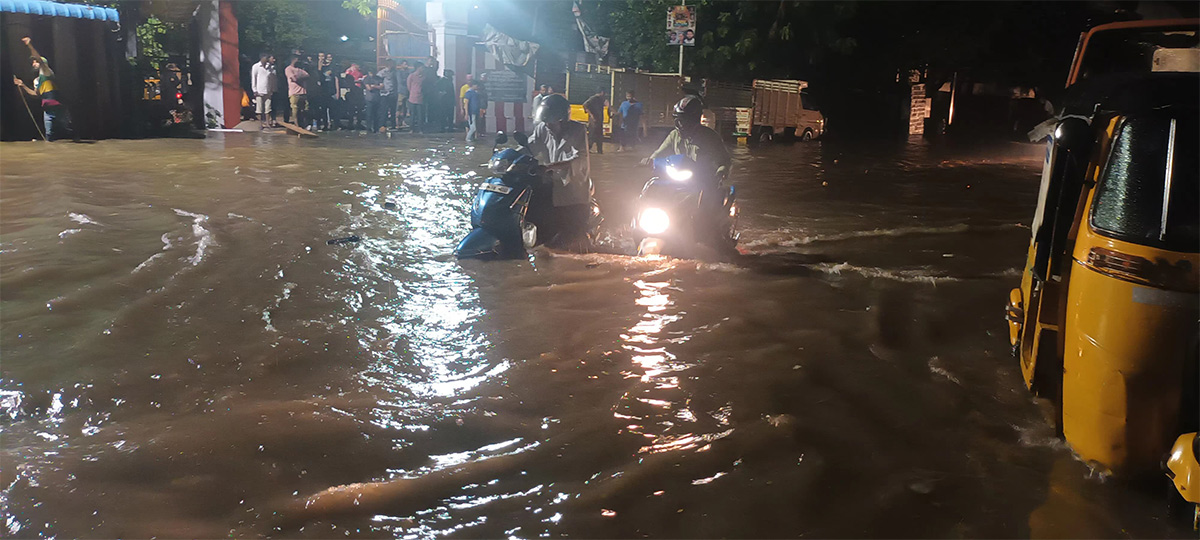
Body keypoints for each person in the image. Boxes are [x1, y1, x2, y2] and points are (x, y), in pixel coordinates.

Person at [527, 94, 593, 249]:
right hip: (551, 186)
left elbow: (580, 158)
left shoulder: (578, 130)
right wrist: (507, 156)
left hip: (574, 190)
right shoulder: (542, 128)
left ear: (562, 120)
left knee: (575, 235)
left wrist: (550, 166)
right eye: (545, 121)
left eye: (551, 122)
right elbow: (529, 147)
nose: (548, 125)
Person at [643, 95, 731, 184]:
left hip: (704, 181)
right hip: (678, 180)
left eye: (685, 120)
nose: (681, 124)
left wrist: (721, 173)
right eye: (679, 120)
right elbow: (660, 153)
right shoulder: (674, 135)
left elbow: (724, 161)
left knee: (711, 195)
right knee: (651, 186)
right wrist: (650, 160)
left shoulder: (710, 137)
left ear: (695, 120)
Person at [11, 36, 71, 141]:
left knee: (69, 131)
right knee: (49, 137)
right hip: (47, 111)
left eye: (35, 61)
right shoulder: (37, 81)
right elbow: (36, 94)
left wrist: (30, 45)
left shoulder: (47, 72)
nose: (34, 63)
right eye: (33, 62)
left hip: (59, 109)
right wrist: (23, 85)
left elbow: (39, 58)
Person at [250, 54, 277, 129]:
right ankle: (260, 124)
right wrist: (254, 90)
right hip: (259, 90)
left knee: (268, 108)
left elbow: (272, 79)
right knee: (259, 109)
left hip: (268, 90)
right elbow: (254, 78)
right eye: (266, 58)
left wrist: (272, 89)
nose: (267, 60)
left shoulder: (270, 67)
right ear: (262, 58)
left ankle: (267, 123)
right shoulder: (256, 66)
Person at [285, 56, 309, 126]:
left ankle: (303, 124)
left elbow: (307, 75)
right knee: (295, 109)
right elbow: (295, 79)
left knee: (304, 109)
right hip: (294, 92)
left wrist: (299, 77)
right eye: (297, 60)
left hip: (303, 92)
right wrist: (301, 78)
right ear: (293, 60)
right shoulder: (288, 69)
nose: (298, 61)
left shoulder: (300, 69)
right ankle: (296, 124)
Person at [406, 61, 429, 133]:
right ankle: (411, 129)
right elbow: (408, 86)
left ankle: (420, 129)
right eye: (421, 67)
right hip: (412, 97)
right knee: (412, 114)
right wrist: (413, 92)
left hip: (421, 98)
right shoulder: (411, 76)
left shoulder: (424, 77)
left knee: (420, 114)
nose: (423, 69)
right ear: (418, 68)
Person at [582, 89, 608, 154]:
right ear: (602, 92)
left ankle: (599, 151)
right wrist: (591, 115)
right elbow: (585, 105)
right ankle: (587, 150)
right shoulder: (593, 98)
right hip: (594, 120)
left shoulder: (600, 99)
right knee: (592, 135)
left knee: (599, 136)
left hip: (599, 120)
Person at [376, 60, 398, 131]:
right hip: (385, 94)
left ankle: (393, 125)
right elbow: (377, 80)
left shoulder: (395, 72)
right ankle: (382, 125)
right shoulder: (382, 72)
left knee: (393, 110)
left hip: (393, 93)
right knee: (384, 110)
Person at [394, 60, 411, 129]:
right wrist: (407, 80)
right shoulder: (399, 73)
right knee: (399, 107)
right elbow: (400, 81)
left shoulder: (409, 73)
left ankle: (403, 122)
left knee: (405, 108)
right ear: (401, 65)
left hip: (408, 92)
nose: (406, 65)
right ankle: (397, 122)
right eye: (404, 64)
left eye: (407, 64)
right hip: (401, 92)